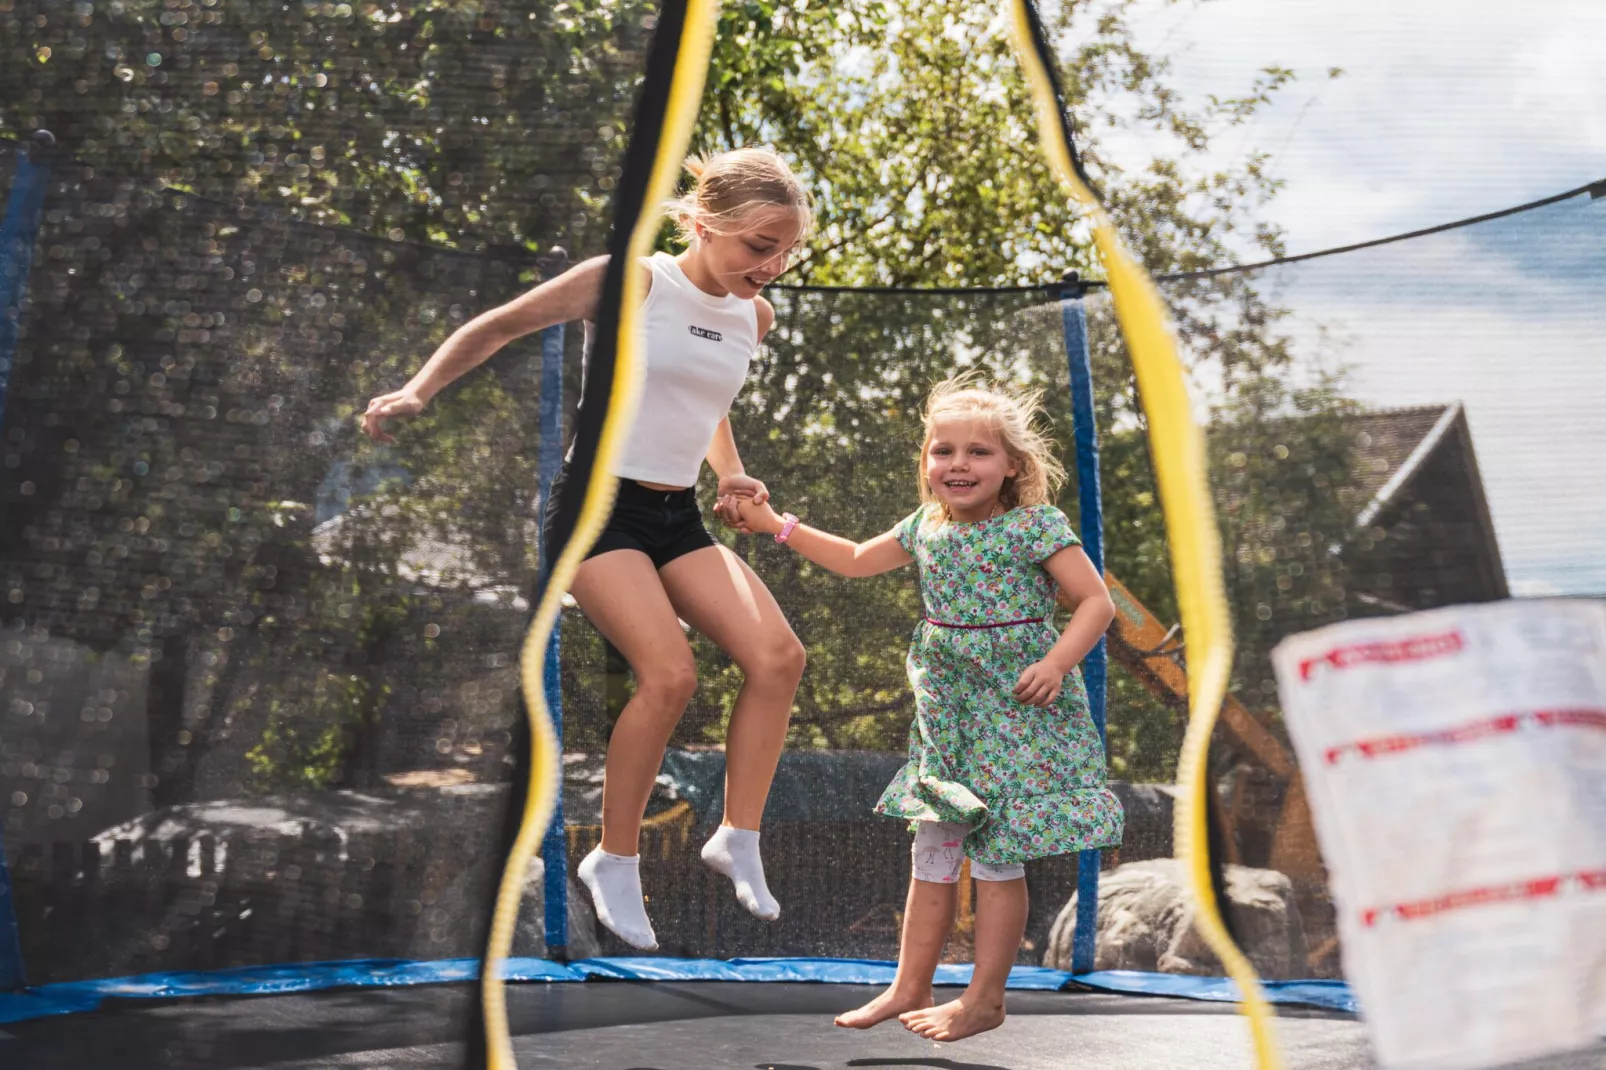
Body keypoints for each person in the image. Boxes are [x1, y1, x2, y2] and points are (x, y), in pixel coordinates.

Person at [361, 147, 814, 951]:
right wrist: (418, 390)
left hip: (676, 514)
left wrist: (735, 475)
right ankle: (615, 856)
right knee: (670, 673)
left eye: (787, 251)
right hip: (597, 511)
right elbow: (502, 323)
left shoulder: (755, 315)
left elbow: (703, 402)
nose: (773, 265)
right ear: (704, 225)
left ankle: (737, 835)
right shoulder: (635, 281)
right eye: (758, 247)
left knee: (779, 656)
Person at [736, 376, 1123, 1040]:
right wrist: (777, 525)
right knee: (934, 843)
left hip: (1017, 710)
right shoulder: (925, 527)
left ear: (1013, 467)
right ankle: (909, 984)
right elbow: (856, 560)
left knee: (998, 852)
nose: (958, 465)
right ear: (926, 463)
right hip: (949, 714)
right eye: (943, 451)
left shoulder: (1033, 525)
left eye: (978, 453)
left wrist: (1058, 662)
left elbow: (1097, 603)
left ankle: (984, 997)